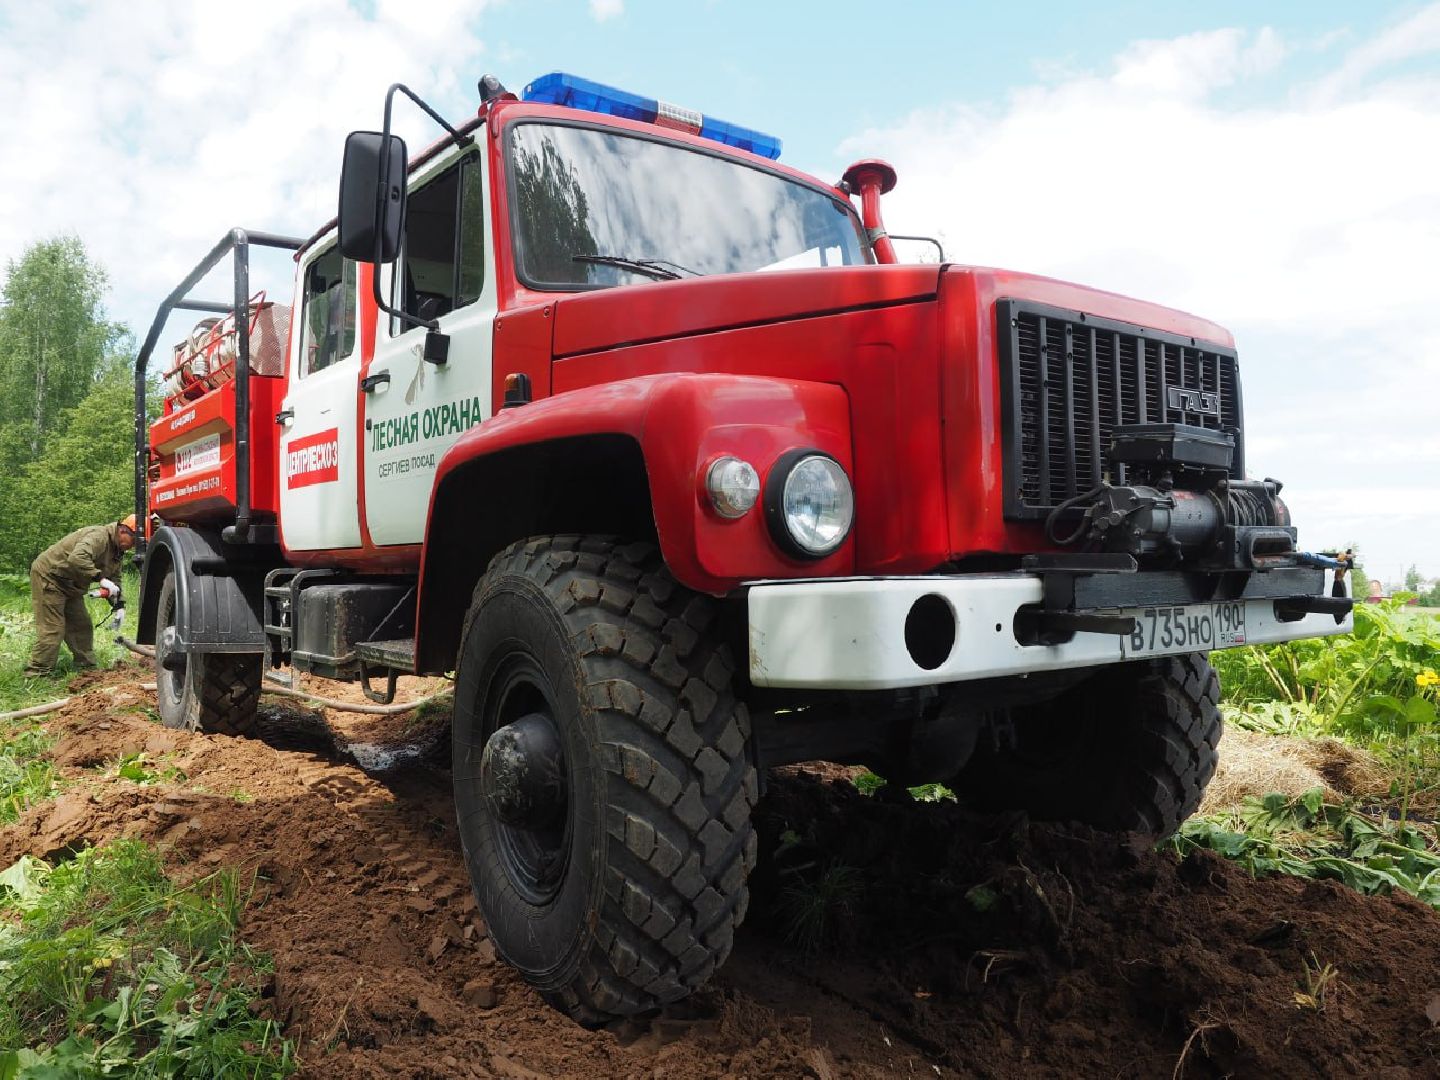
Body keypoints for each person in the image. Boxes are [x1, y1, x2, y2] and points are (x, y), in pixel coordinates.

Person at [24, 514, 138, 676]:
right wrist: (100, 578)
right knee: (53, 629)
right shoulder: (99, 537)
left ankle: (86, 668)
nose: (133, 546)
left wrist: (119, 604)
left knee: (81, 625)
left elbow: (115, 579)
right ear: (123, 530)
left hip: (71, 585)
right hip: (50, 577)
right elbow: (77, 558)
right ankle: (37, 673)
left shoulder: (117, 550)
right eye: (133, 541)